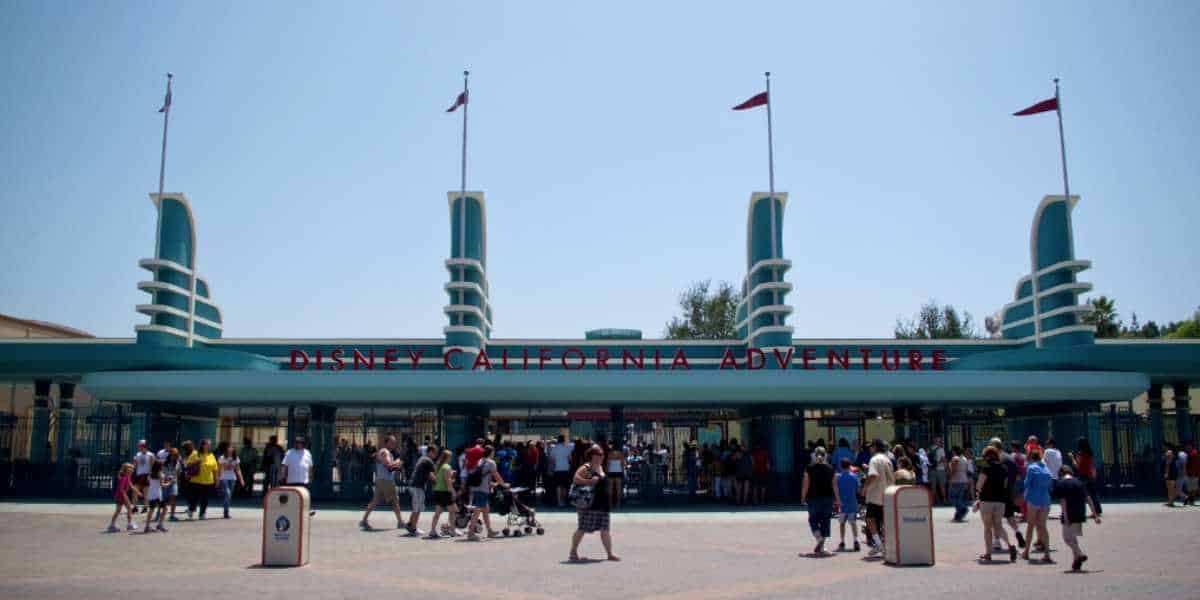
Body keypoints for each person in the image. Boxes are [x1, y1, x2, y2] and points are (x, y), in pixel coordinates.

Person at [568, 445, 619, 562]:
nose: (602, 456)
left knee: (605, 529)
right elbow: (575, 479)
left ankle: (610, 554)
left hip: (603, 504)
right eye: (599, 454)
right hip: (590, 504)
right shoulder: (587, 467)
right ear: (592, 456)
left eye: (602, 454)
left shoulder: (600, 467)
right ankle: (573, 551)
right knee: (582, 529)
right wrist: (589, 481)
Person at [1052, 465, 1101, 571]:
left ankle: (1080, 554)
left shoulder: (1061, 484)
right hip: (1080, 513)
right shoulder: (1079, 482)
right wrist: (1095, 515)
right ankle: (1076, 561)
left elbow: (1063, 502)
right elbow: (1088, 498)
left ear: (1061, 473)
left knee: (1067, 539)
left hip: (1069, 513)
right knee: (1073, 538)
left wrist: (1065, 517)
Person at [975, 446, 1018, 562]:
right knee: (998, 526)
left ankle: (988, 554)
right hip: (1000, 502)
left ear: (987, 456)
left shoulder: (986, 467)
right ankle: (1010, 545)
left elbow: (979, 485)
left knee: (988, 528)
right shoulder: (1004, 468)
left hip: (987, 501)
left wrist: (978, 496)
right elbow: (1005, 485)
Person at [359, 435, 404, 530]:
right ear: (386, 443)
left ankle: (364, 520)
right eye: (392, 442)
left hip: (381, 481)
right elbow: (389, 466)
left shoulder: (386, 452)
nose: (394, 444)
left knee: (375, 501)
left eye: (394, 442)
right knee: (395, 501)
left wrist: (397, 465)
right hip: (386, 481)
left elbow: (391, 468)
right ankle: (400, 522)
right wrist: (398, 462)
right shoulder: (385, 452)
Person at [801, 447, 836, 555]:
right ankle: (822, 546)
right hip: (828, 497)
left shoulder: (809, 468)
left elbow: (806, 483)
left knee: (813, 519)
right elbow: (835, 486)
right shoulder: (831, 469)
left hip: (813, 497)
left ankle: (819, 538)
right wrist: (838, 499)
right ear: (825, 455)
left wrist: (803, 496)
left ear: (814, 455)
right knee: (825, 520)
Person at [466, 445, 505, 541]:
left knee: (486, 510)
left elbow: (484, 475)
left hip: (477, 488)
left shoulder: (480, 461)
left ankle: (490, 531)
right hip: (482, 490)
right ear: (491, 453)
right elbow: (496, 475)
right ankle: (470, 533)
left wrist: (491, 484)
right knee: (477, 512)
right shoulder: (491, 462)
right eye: (493, 452)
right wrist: (503, 484)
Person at [1020, 449, 1053, 562]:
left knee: (1030, 526)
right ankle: (1047, 553)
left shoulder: (1031, 468)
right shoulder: (1046, 467)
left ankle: (1026, 552)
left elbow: (1026, 484)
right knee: (1043, 526)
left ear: (1030, 457)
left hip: (1033, 499)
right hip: (1045, 499)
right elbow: (1050, 483)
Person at [863, 440, 894, 557]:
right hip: (888, 494)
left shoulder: (874, 459)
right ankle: (884, 544)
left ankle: (878, 543)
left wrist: (864, 487)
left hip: (876, 494)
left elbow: (873, 475)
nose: (869, 449)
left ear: (875, 447)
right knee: (884, 521)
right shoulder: (888, 459)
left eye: (871, 447)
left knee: (870, 520)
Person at [405, 445, 437, 536]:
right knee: (417, 507)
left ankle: (410, 524)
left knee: (417, 507)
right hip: (417, 486)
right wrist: (438, 483)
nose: (436, 455)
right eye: (435, 453)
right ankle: (413, 528)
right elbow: (432, 475)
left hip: (416, 485)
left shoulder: (422, 459)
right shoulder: (428, 460)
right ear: (430, 452)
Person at [427, 449, 459, 538]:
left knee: (438, 512)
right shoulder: (447, 467)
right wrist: (453, 492)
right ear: (448, 457)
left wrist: (450, 477)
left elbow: (439, 479)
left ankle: (432, 530)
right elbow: (448, 482)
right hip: (445, 492)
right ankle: (452, 530)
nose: (451, 459)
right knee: (453, 511)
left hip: (437, 491)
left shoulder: (438, 466)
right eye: (450, 457)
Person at [280, 436, 316, 516]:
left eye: (299, 443)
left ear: (303, 444)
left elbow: (310, 466)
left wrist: (310, 477)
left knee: (305, 496)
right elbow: (284, 465)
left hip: (304, 480)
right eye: (296, 442)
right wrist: (282, 476)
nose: (297, 444)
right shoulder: (289, 452)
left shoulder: (307, 453)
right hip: (292, 480)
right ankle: (290, 511)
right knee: (292, 497)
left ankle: (307, 510)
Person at [185, 439, 219, 520]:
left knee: (205, 498)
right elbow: (188, 464)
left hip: (208, 481)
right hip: (196, 480)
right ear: (203, 445)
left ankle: (202, 513)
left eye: (210, 445)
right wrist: (196, 462)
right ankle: (191, 510)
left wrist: (216, 480)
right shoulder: (195, 454)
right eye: (207, 444)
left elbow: (215, 469)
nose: (209, 446)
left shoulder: (211, 455)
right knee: (194, 498)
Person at [834, 457, 860, 552]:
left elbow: (836, 489)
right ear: (849, 466)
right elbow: (858, 490)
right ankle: (856, 540)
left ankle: (842, 541)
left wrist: (837, 500)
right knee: (853, 523)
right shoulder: (854, 476)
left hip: (842, 503)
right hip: (852, 502)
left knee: (842, 523)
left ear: (841, 466)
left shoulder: (838, 477)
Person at [1072, 438, 1102, 516]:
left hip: (1082, 475)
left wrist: (1072, 458)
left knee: (1082, 494)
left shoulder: (1079, 453)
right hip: (1090, 474)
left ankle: (1079, 511)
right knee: (1093, 494)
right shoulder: (1090, 453)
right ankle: (1097, 511)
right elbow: (1092, 464)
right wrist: (1094, 473)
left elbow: (1077, 466)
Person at [107, 462, 140, 532]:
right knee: (129, 509)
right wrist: (126, 497)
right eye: (131, 468)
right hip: (122, 496)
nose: (132, 470)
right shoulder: (124, 477)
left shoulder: (127, 477)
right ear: (127, 470)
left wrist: (138, 492)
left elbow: (131, 485)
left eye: (132, 469)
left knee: (120, 510)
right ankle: (129, 525)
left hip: (121, 495)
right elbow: (121, 489)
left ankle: (112, 525)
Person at [217, 443, 245, 519]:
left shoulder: (235, 458)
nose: (231, 449)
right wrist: (218, 480)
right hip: (224, 477)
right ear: (226, 449)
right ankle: (225, 510)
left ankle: (226, 511)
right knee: (228, 493)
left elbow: (238, 469)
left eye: (232, 448)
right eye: (229, 447)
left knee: (229, 496)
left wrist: (241, 479)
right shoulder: (222, 458)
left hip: (232, 478)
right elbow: (219, 470)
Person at [143, 460, 168, 533]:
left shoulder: (150, 474)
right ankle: (160, 524)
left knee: (151, 510)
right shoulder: (161, 474)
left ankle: (147, 526)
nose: (163, 466)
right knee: (165, 509)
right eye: (162, 465)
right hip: (158, 494)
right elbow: (162, 485)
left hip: (151, 493)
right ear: (160, 467)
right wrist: (170, 482)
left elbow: (149, 482)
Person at [132, 440, 155, 514]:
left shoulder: (150, 455)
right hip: (139, 475)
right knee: (135, 491)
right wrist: (134, 462)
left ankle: (145, 507)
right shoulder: (137, 454)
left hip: (146, 475)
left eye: (141, 446)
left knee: (146, 493)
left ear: (145, 446)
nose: (140, 447)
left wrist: (150, 475)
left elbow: (152, 466)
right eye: (140, 446)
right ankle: (135, 507)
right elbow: (135, 466)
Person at [948, 446, 970, 522]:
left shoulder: (955, 458)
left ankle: (963, 508)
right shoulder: (965, 459)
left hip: (956, 480)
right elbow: (966, 470)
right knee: (959, 498)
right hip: (964, 479)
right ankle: (958, 515)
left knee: (952, 497)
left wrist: (950, 479)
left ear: (954, 451)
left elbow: (954, 470)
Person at [162, 448, 181, 521]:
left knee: (173, 497)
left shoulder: (178, 463)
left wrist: (176, 480)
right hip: (166, 481)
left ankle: (172, 515)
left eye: (175, 455)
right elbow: (162, 472)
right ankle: (161, 513)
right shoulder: (165, 463)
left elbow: (178, 472)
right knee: (164, 499)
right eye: (172, 455)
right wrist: (165, 479)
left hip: (174, 482)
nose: (174, 456)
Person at [929, 437, 948, 505]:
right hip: (940, 469)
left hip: (931, 469)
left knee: (933, 486)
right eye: (940, 441)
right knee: (942, 486)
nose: (941, 443)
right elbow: (943, 459)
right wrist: (946, 469)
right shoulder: (941, 449)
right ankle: (944, 500)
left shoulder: (930, 448)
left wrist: (932, 465)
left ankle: (933, 501)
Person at [606, 444, 624, 508]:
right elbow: (622, 464)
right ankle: (618, 503)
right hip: (618, 471)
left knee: (610, 488)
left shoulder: (610, 454)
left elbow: (608, 463)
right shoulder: (621, 454)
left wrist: (607, 472)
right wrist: (622, 471)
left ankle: (610, 503)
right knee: (618, 488)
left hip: (611, 471)